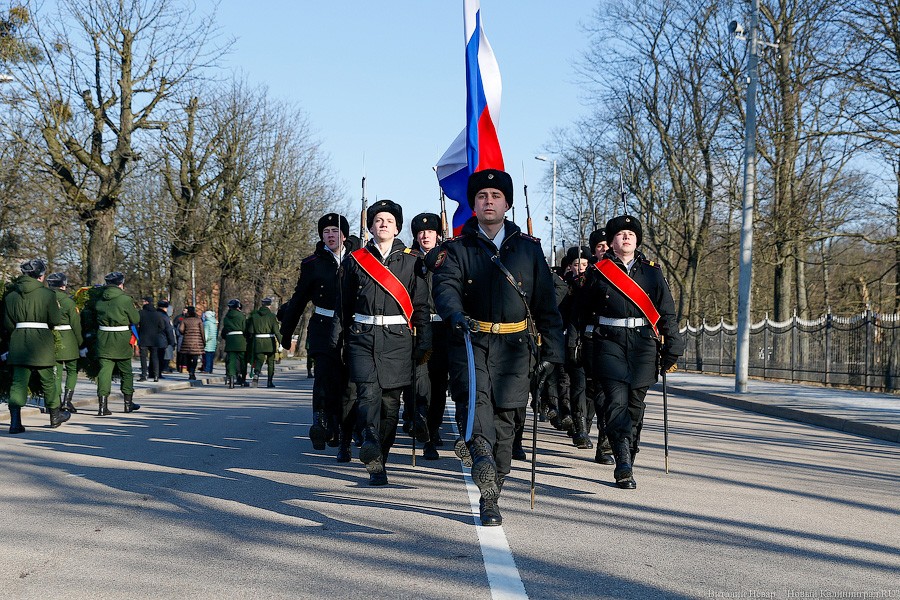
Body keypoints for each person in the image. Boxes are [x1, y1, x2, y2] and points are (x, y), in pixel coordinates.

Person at [432, 169, 564, 526]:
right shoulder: (457, 248)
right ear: (473, 204)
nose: (488, 202)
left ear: (507, 203)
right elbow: (445, 287)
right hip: (471, 342)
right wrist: (454, 313)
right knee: (475, 405)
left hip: (515, 346)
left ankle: (493, 492)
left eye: (495, 196)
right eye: (481, 196)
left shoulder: (528, 249)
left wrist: (553, 351)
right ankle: (480, 456)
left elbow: (546, 304)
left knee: (507, 422)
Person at [577, 215, 684, 489]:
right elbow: (581, 312)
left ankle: (629, 454)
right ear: (611, 242)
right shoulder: (598, 272)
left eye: (631, 234)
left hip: (643, 345)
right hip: (608, 342)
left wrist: (673, 343)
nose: (626, 237)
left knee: (635, 405)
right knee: (616, 402)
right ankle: (622, 460)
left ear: (637, 241)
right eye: (621, 234)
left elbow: (666, 312)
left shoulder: (652, 272)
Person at [337, 199, 431, 485]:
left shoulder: (413, 262)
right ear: (371, 226)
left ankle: (380, 460)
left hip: (398, 340)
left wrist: (424, 341)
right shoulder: (355, 261)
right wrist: (339, 340)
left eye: (389, 221)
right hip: (362, 337)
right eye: (378, 220)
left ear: (397, 227)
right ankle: (368, 436)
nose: (383, 224)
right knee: (367, 393)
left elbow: (421, 305)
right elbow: (344, 304)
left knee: (391, 403)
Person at [280, 212, 356, 455]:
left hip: (352, 328)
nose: (331, 235)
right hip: (323, 326)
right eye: (326, 232)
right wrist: (286, 332)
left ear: (344, 234)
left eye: (335, 231)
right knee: (324, 377)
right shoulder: (312, 263)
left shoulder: (359, 259)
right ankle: (320, 422)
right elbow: (299, 299)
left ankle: (343, 430)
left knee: (347, 384)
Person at [3, 260, 70, 433]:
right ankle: (55, 416)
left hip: (18, 341)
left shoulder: (11, 296)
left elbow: (8, 324)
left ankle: (15, 422)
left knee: (18, 382)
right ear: (41, 276)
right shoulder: (48, 295)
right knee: (48, 380)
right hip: (41, 342)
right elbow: (55, 320)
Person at [409, 212, 449, 461]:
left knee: (438, 385)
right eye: (421, 232)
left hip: (442, 330)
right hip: (415, 329)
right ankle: (420, 426)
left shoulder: (448, 259)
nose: (425, 235)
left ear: (438, 235)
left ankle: (432, 432)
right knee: (418, 384)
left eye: (430, 232)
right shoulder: (409, 260)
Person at [584, 227, 614, 465]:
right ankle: (601, 440)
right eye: (599, 247)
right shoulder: (593, 274)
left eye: (607, 244)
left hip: (624, 343)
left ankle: (610, 442)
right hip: (595, 340)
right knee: (601, 395)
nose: (605, 250)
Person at [93, 271, 141, 415]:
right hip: (121, 338)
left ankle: (102, 407)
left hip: (103, 337)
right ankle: (128, 404)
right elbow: (135, 318)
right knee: (126, 372)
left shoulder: (99, 299)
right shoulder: (125, 299)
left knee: (104, 372)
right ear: (121, 284)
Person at [47, 272, 83, 414]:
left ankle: (55, 402)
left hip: (51, 338)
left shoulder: (45, 299)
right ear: (63, 285)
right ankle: (67, 401)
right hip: (68, 339)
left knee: (56, 372)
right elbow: (76, 324)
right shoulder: (69, 302)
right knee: (72, 371)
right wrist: (80, 342)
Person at [245, 297, 281, 388]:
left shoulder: (255, 316)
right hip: (269, 342)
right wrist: (281, 342)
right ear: (270, 305)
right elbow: (276, 331)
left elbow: (251, 331)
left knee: (259, 361)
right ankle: (269, 381)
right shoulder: (272, 316)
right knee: (270, 362)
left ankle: (256, 375)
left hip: (258, 342)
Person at [141, 300, 176, 382]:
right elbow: (168, 329)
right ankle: (157, 374)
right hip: (160, 339)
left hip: (147, 337)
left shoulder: (153, 314)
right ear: (166, 308)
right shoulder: (164, 316)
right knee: (158, 357)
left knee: (151, 357)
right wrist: (172, 341)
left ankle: (150, 373)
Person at [221, 299, 247, 388]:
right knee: (243, 360)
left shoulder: (226, 317)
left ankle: (231, 377)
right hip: (240, 340)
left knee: (231, 360)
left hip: (230, 339)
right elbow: (244, 328)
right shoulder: (241, 316)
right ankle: (242, 378)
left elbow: (225, 330)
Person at [178, 306, 205, 380]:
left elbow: (181, 329)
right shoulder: (199, 320)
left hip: (187, 341)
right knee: (195, 358)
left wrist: (185, 333)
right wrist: (203, 341)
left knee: (187, 357)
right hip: (197, 342)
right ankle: (192, 371)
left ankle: (189, 370)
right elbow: (202, 331)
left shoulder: (185, 320)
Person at [137, 296, 154, 381]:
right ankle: (155, 374)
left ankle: (144, 374)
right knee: (154, 356)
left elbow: (136, 323)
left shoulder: (141, 313)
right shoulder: (156, 313)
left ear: (147, 302)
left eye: (143, 301)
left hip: (143, 337)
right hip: (155, 338)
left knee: (143, 357)